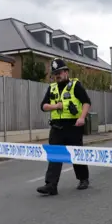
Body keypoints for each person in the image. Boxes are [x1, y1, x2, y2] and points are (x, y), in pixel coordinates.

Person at [37, 58, 91, 195]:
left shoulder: (75, 86)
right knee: (55, 155)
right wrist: (56, 106)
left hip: (73, 126)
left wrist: (82, 117)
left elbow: (86, 102)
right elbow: (43, 106)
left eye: (60, 72)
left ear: (66, 72)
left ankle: (83, 178)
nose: (57, 75)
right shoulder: (52, 88)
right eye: (55, 73)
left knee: (76, 155)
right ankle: (51, 185)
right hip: (56, 128)